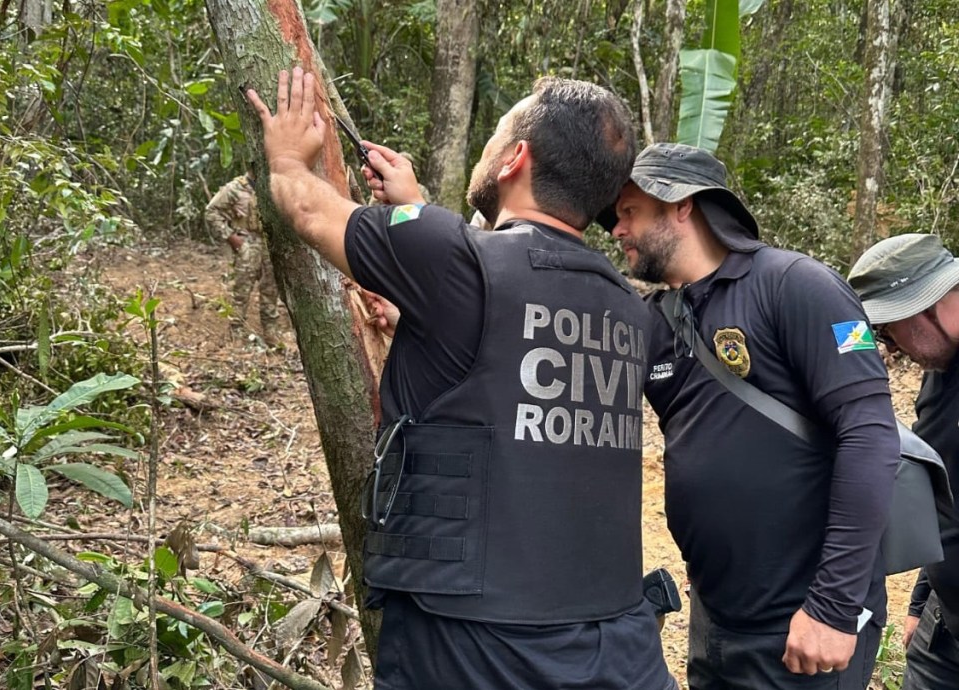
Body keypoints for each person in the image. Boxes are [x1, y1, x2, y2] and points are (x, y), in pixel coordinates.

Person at [247, 67, 676, 689]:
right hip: (616, 648)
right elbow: (507, 330)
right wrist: (417, 218)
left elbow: (309, 211)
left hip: (470, 646)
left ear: (514, 159)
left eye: (497, 135)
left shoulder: (455, 260)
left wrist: (288, 157)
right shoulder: (630, 307)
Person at [606, 142, 899, 689]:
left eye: (629, 212)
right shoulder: (652, 322)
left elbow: (871, 437)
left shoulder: (796, 286)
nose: (617, 230)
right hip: (715, 618)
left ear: (681, 205)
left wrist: (834, 608)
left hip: (803, 624)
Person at [847, 233, 959, 689]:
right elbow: (944, 497)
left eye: (890, 327)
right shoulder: (941, 374)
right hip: (944, 629)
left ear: (926, 309)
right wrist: (921, 603)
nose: (891, 345)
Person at [204, 170, 282, 347]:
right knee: (241, 290)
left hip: (269, 244)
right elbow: (211, 212)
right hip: (247, 243)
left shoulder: (271, 187)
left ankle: (271, 332)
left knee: (271, 289)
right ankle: (236, 331)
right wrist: (231, 237)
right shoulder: (234, 188)